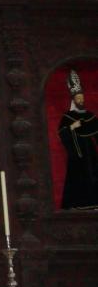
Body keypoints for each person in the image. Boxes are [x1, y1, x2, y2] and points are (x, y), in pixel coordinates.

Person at [58, 70, 98, 209]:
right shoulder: (67, 117)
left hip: (90, 153)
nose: (81, 100)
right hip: (76, 154)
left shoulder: (90, 115)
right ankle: (77, 205)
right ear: (73, 100)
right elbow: (62, 133)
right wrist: (72, 127)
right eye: (78, 98)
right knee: (77, 177)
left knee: (93, 175)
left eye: (82, 98)